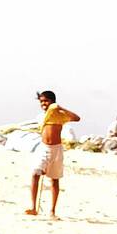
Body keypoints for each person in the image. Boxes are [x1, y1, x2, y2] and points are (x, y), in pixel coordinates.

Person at [27, 90, 79, 218]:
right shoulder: (41, 116)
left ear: (52, 101)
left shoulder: (60, 115)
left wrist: (59, 108)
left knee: (54, 180)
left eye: (46, 101)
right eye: (41, 101)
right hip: (44, 148)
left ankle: (52, 211)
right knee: (35, 174)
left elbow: (76, 118)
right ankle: (33, 208)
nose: (44, 103)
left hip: (57, 149)